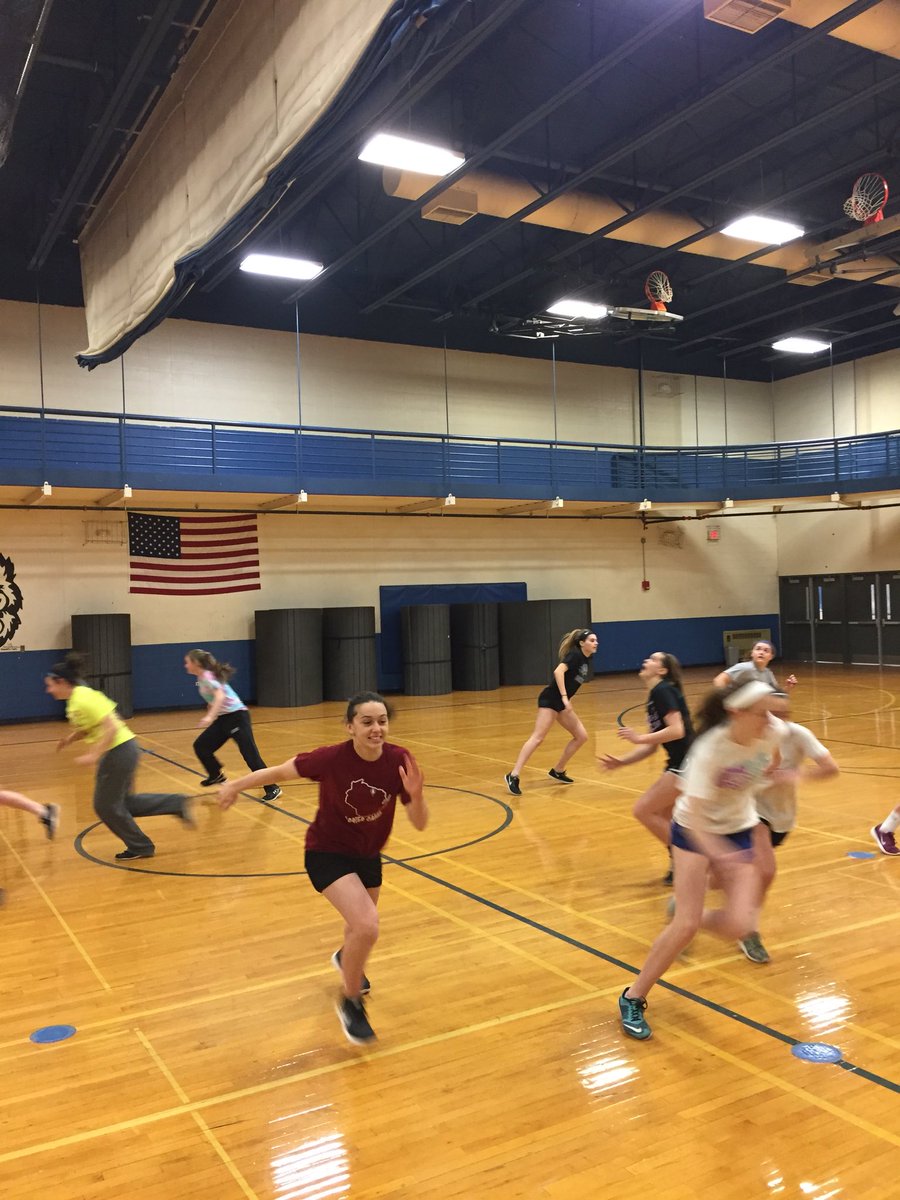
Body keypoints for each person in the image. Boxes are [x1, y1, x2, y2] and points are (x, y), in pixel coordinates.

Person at [218, 691, 427, 1046]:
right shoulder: (330, 759)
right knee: (367, 925)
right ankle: (350, 1002)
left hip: (368, 855)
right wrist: (236, 784)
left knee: (358, 930)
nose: (376, 729)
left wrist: (417, 796)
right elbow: (282, 772)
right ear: (349, 726)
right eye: (367, 722)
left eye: (382, 721)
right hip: (326, 852)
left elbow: (420, 824)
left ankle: (347, 958)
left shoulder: (400, 760)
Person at [617, 681, 782, 1041]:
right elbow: (697, 820)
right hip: (694, 830)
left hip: (739, 827)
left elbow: (773, 761)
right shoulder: (709, 751)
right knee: (686, 927)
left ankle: (687, 914)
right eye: (761, 712)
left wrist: (767, 782)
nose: (770, 719)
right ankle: (633, 996)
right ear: (735, 713)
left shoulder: (772, 731)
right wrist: (724, 858)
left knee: (738, 924)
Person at [46, 652, 192, 861]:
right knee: (124, 803)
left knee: (105, 806)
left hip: (120, 750)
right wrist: (70, 739)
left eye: (50, 685)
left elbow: (112, 726)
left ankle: (140, 846)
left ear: (61, 682)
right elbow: (91, 726)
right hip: (121, 750)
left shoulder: (83, 698)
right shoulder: (75, 700)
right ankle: (176, 803)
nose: (48, 690)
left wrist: (93, 755)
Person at [742, 693, 839, 963]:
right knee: (766, 870)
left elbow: (831, 768)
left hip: (781, 816)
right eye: (770, 713)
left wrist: (795, 775)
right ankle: (748, 931)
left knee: (736, 872)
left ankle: (689, 899)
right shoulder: (750, 735)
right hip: (749, 810)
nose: (776, 719)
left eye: (783, 714)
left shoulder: (799, 735)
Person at [598, 651, 693, 885]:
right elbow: (652, 746)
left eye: (652, 659)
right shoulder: (654, 696)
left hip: (689, 763)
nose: (645, 661)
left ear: (662, 670)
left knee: (643, 810)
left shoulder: (663, 691)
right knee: (662, 815)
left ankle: (692, 857)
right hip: (680, 762)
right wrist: (622, 762)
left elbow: (677, 730)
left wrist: (638, 738)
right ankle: (682, 863)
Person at [504, 628, 599, 796]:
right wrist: (564, 697)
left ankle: (558, 770)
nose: (595, 643)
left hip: (562, 703)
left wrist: (567, 700)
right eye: (592, 640)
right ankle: (513, 775)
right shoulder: (575, 656)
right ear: (582, 643)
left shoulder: (586, 660)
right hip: (551, 700)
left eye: (596, 640)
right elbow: (558, 672)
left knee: (581, 736)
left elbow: (572, 682)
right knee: (538, 737)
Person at [184, 649, 281, 802]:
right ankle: (216, 775)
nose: (185, 665)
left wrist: (209, 716)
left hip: (237, 716)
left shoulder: (208, 677)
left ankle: (272, 787)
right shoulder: (202, 677)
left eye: (187, 662)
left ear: (196, 663)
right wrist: (211, 711)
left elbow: (220, 696)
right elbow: (214, 699)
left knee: (250, 755)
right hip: (224, 718)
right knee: (201, 746)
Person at [714, 639, 797, 692]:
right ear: (752, 653)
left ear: (771, 656)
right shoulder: (744, 667)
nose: (761, 652)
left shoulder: (768, 673)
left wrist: (788, 687)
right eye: (758, 649)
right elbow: (719, 679)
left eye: (766, 650)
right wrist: (724, 701)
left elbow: (776, 696)